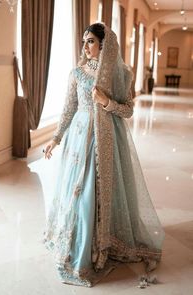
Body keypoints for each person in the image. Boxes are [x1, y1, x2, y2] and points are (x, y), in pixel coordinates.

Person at [43, 22, 165, 287]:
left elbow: (128, 110)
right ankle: (79, 244)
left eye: (91, 41)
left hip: (106, 138)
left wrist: (106, 102)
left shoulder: (121, 74)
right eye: (84, 41)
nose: (86, 46)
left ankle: (102, 242)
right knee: (78, 191)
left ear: (104, 44)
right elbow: (68, 109)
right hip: (79, 138)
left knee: (97, 190)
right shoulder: (75, 73)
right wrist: (55, 138)